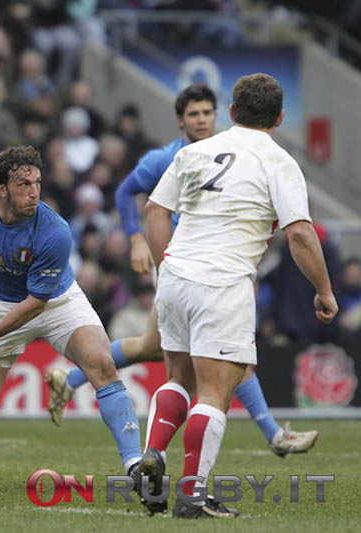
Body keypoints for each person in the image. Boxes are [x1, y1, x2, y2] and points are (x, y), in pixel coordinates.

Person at [45, 84, 319, 459]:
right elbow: (129, 195)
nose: (202, 119)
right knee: (223, 362)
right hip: (193, 268)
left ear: (224, 114)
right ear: (181, 120)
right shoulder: (169, 157)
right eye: (194, 114)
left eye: (208, 112)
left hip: (186, 271)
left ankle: (73, 379)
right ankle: (267, 438)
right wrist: (139, 242)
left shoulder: (222, 150)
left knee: (155, 349)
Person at [139, 73, 338, 518]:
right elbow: (301, 234)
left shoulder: (194, 151)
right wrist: (324, 290)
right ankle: (191, 497)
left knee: (178, 378)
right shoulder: (278, 162)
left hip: (175, 276)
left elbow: (154, 210)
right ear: (280, 117)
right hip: (223, 283)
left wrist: (165, 266)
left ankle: (152, 452)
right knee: (214, 392)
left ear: (230, 112)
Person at [0, 145, 143, 481]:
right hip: (1, 304)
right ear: (1, 189)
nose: (34, 193)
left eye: (37, 183)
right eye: (23, 185)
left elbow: (36, 304)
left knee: (103, 364)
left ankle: (135, 465)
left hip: (58, 302)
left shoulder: (54, 230)